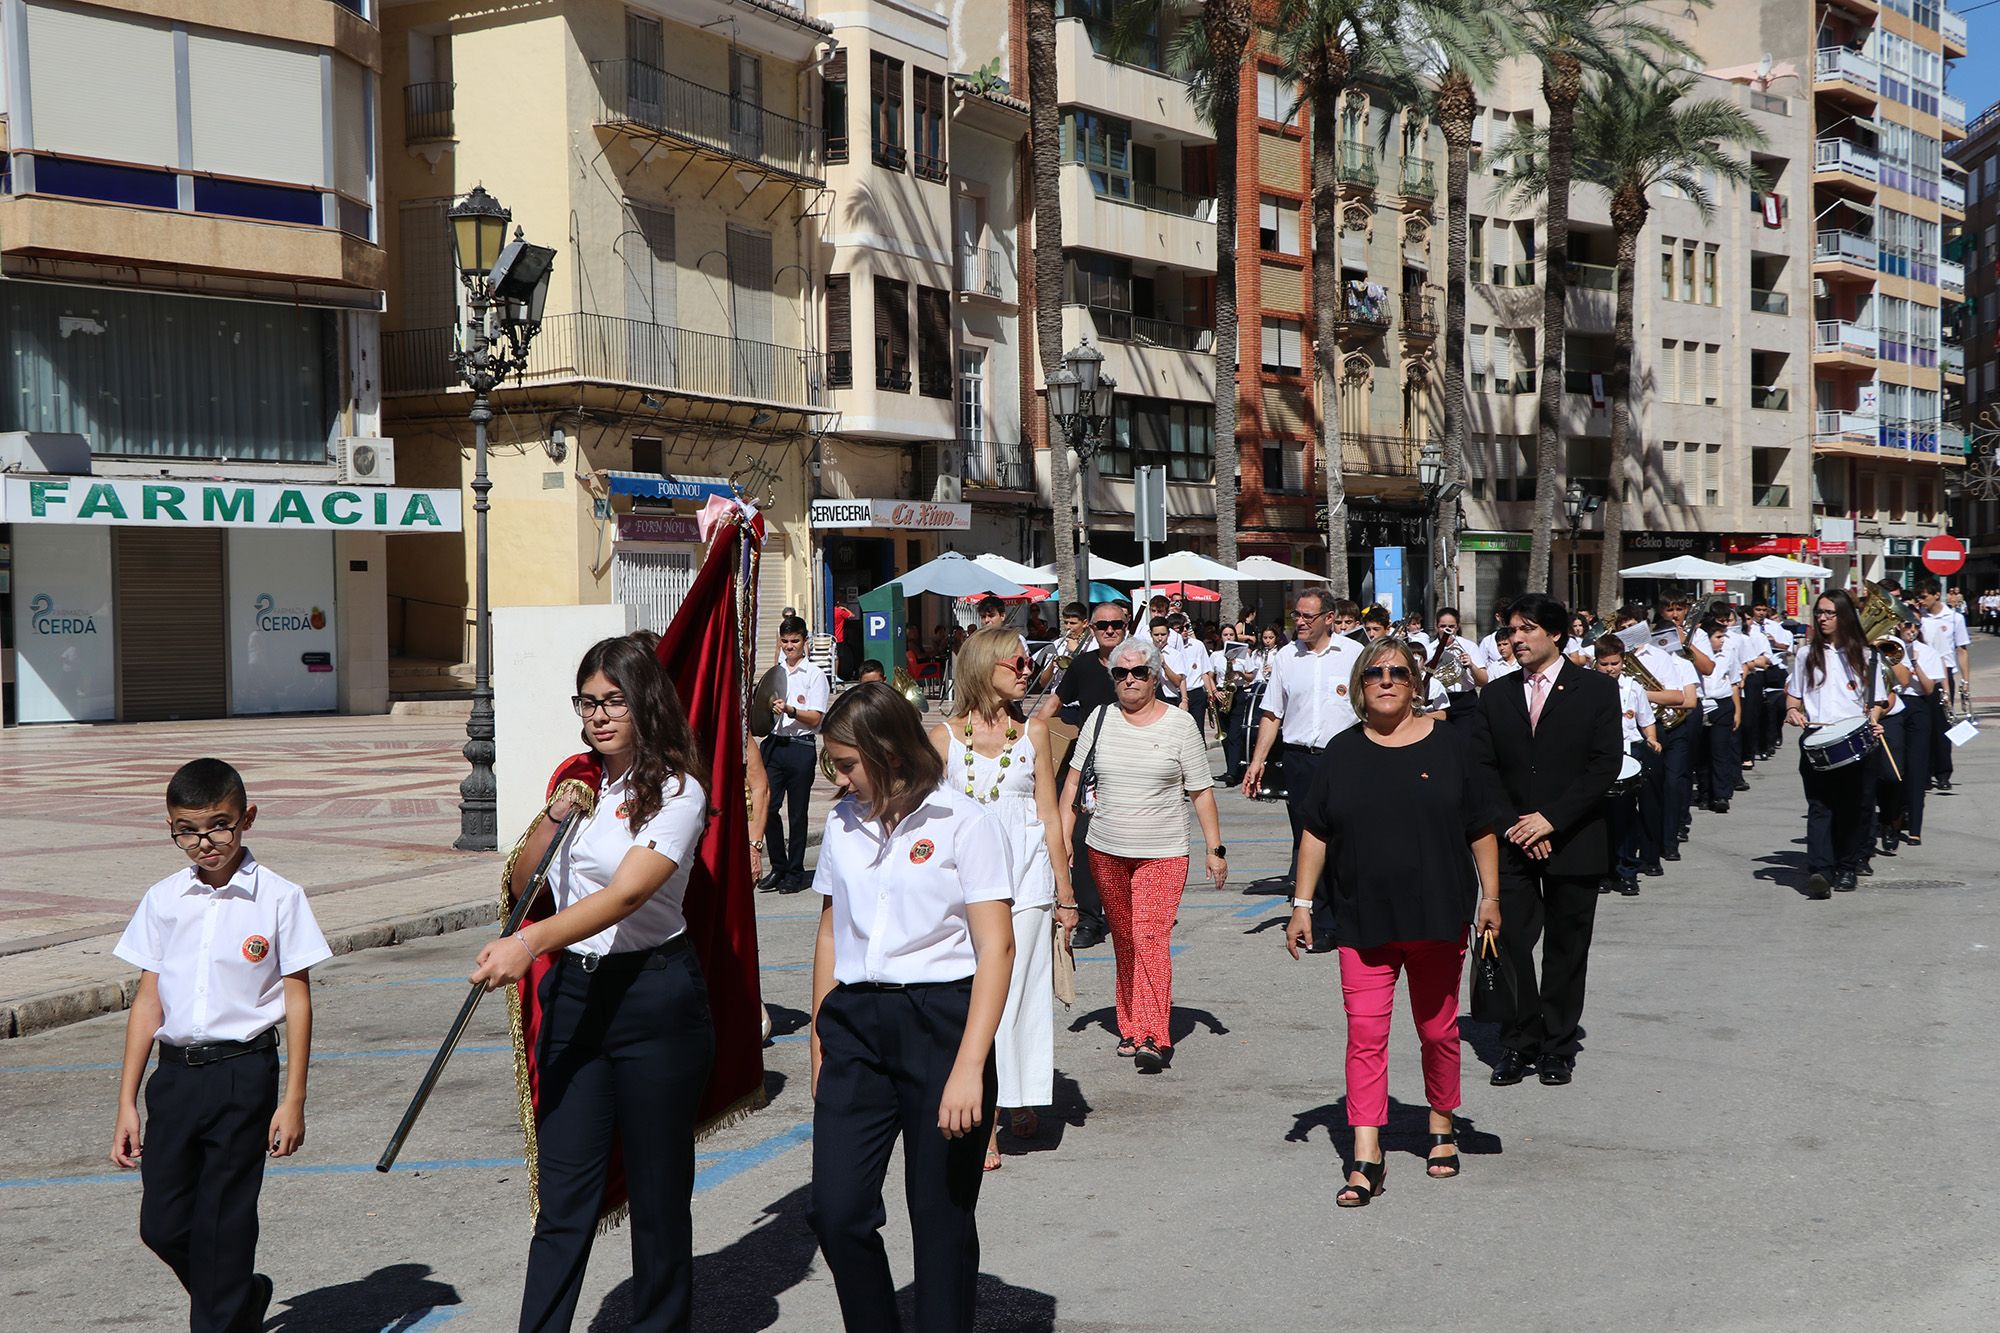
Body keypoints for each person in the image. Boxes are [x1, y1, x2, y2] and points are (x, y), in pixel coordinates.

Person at [467, 637, 715, 1332]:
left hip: (654, 997)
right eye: (588, 701)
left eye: (614, 700)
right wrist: (555, 813)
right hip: (577, 993)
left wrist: (529, 943)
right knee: (563, 1198)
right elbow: (526, 885)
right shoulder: (581, 786)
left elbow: (631, 893)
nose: (600, 715)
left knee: (659, 1199)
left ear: (646, 702)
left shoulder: (677, 789)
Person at [808, 684, 1015, 1333]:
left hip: (941, 1025)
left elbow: (998, 947)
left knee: (939, 1219)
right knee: (837, 1212)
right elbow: (828, 931)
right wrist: (819, 1043)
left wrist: (967, 1066)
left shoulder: (963, 820)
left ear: (888, 750)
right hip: (855, 1028)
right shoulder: (842, 821)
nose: (837, 777)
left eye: (846, 763)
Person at [111, 758, 330, 1333]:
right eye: (187, 829)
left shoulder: (279, 898)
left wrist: (294, 1099)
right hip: (176, 1077)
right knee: (162, 1224)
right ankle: (242, 1295)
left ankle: (227, 1309)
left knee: (225, 1227)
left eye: (219, 825)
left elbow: (298, 999)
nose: (204, 842)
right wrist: (127, 1102)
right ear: (170, 828)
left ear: (247, 818)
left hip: (243, 1073)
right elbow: (148, 1003)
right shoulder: (163, 899)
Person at [1285, 638, 1502, 1205]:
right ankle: (1366, 1155)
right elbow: (1316, 832)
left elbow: (1480, 827)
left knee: (1437, 1031)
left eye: (1399, 673)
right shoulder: (1341, 751)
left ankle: (1439, 1122)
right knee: (1365, 1036)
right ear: (1360, 684)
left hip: (1438, 916)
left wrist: (1490, 898)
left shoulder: (1452, 745)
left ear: (1416, 683)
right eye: (1375, 672)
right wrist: (1302, 905)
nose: (1387, 680)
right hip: (1362, 920)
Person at [930, 630, 1075, 1172]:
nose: (1026, 667)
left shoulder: (1035, 731)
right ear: (984, 665)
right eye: (1017, 659)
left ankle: (1008, 1100)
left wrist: (1065, 893)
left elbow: (1048, 816)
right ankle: (989, 1104)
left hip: (1028, 879)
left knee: (1018, 995)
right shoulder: (943, 739)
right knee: (976, 996)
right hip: (966, 887)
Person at [1471, 593, 1623, 1088]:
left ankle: (1557, 1046)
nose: (1515, 639)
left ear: (1555, 634)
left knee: (1566, 946)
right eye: (1511, 630)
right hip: (1513, 842)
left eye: (1526, 629)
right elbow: (1483, 770)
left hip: (1575, 838)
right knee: (1512, 941)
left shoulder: (1597, 691)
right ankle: (1519, 1040)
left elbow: (1605, 765)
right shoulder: (1496, 694)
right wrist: (1518, 824)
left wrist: (1550, 820)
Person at [1060, 637, 1227, 1073]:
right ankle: (1130, 1026)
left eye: (1139, 673)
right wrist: (1061, 845)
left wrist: (1215, 848)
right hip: (1106, 848)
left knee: (1151, 937)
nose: (1130, 680)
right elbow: (1072, 789)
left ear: (1155, 677)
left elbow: (1201, 792)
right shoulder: (1098, 719)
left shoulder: (1179, 725)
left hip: (1163, 851)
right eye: (1121, 673)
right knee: (1125, 939)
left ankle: (1155, 1033)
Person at [1244, 587, 1362, 948]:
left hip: (1345, 759)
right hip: (1299, 760)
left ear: (1329, 618)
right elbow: (1271, 713)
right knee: (1309, 839)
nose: (1299, 622)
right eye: (1296, 615)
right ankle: (1322, 921)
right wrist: (1258, 760)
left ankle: (1353, 916)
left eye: (1307, 616)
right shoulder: (1285, 657)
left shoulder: (1355, 654)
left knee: (1349, 840)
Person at [1785, 590, 1891, 898]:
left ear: (1843, 616)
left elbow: (1877, 701)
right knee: (1819, 806)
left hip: (1857, 741)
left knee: (1853, 808)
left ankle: (1847, 867)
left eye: (1829, 613)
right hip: (1817, 740)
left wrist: (1873, 720)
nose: (1822, 618)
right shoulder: (1807, 654)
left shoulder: (1867, 655)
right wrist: (1792, 710)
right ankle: (1821, 871)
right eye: (1819, 612)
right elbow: (1794, 695)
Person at [1053, 602, 1135, 949]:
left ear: (1126, 625)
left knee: (1128, 843)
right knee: (1084, 843)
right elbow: (1053, 705)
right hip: (1090, 768)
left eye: (1116, 624)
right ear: (1092, 628)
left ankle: (1127, 913)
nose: (1110, 630)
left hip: (1131, 765)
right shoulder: (1083, 665)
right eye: (1103, 625)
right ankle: (1089, 917)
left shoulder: (1139, 662)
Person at [1616, 606, 1697, 870]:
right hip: (1625, 731)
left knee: (1659, 791)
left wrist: (1639, 693)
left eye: (1633, 625)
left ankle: (1660, 849)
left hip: (1656, 727)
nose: (1628, 631)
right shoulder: (1615, 658)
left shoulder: (1660, 657)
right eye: (1623, 626)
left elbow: (1676, 697)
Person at [760, 616, 829, 893]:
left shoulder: (814, 674)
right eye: (785, 642)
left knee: (797, 813)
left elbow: (815, 718)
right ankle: (778, 865)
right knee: (769, 808)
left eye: (795, 641)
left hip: (800, 747)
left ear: (805, 642)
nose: (790, 647)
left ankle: (795, 870)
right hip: (775, 745)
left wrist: (790, 710)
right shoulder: (776, 673)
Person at [1592, 636, 1659, 897]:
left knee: (1626, 818)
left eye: (1615, 663)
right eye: (1604, 664)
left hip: (1626, 757)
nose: (1610, 669)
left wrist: (1652, 739)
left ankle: (1627, 872)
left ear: (1623, 661)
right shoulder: (1588, 689)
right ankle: (1603, 872)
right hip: (1597, 758)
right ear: (1595, 662)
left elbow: (1646, 720)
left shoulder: (1633, 688)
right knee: (1600, 820)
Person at [1883, 617, 1941, 850]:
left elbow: (1927, 689)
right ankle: (1892, 821)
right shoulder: (1888, 645)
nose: (1911, 630)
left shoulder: (1927, 653)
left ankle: (1915, 828)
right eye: (1907, 625)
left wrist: (1915, 664)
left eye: (1916, 626)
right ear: (1899, 626)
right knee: (1895, 769)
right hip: (1893, 704)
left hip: (1918, 706)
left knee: (1916, 768)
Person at [1913, 578, 1971, 790]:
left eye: (1924, 597)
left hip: (1944, 674)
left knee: (1942, 725)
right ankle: (1925, 772)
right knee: (1922, 726)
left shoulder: (1954, 618)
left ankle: (1943, 772)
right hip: (1922, 672)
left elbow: (1962, 650)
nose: (1921, 601)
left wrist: (1965, 681)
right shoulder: (1919, 618)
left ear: (1936, 594)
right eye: (1919, 597)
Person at [1694, 614, 1743, 815]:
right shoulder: (1694, 656)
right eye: (1717, 637)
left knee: (1719, 750)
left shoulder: (1728, 653)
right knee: (1702, 753)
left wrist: (1737, 710)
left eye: (1723, 636)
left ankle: (1721, 794)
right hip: (1701, 703)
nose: (1722, 640)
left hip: (1722, 704)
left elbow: (1733, 683)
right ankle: (1705, 793)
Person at [1424, 606, 1487, 723]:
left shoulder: (1469, 646)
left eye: (1451, 626)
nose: (1447, 630)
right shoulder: (1429, 650)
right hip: (1439, 701)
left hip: (1465, 700)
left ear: (1457, 627)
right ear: (1437, 627)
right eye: (1443, 626)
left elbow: (1483, 681)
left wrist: (1471, 665)